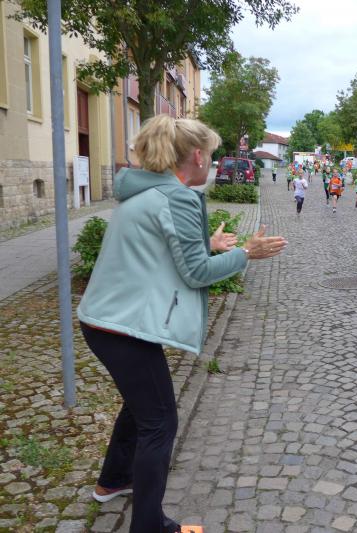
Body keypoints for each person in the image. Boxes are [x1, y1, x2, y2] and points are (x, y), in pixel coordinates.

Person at [77, 115, 287, 533]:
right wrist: (246, 253)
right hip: (123, 326)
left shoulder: (148, 191)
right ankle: (150, 526)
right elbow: (197, 273)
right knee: (160, 423)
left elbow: (157, 245)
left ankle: (113, 480)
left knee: (142, 407)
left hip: (107, 320)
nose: (211, 161)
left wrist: (208, 243)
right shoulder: (178, 197)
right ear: (197, 156)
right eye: (210, 153)